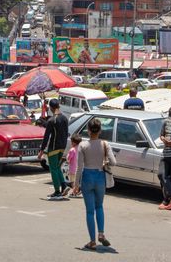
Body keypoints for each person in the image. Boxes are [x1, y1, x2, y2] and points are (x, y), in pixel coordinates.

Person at [72, 118, 115, 250]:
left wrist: (76, 185)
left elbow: (79, 168)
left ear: (88, 130)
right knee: (99, 206)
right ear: (100, 130)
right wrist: (105, 162)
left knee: (90, 211)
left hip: (87, 177)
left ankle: (92, 241)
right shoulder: (105, 144)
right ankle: (101, 233)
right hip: (100, 176)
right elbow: (113, 162)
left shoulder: (83, 146)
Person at [38, 98, 70, 199]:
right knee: (57, 167)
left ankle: (57, 191)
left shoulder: (52, 120)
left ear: (51, 108)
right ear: (58, 106)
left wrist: (41, 151)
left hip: (54, 147)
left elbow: (46, 137)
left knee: (53, 169)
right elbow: (66, 133)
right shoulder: (65, 118)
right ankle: (64, 186)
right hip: (62, 146)